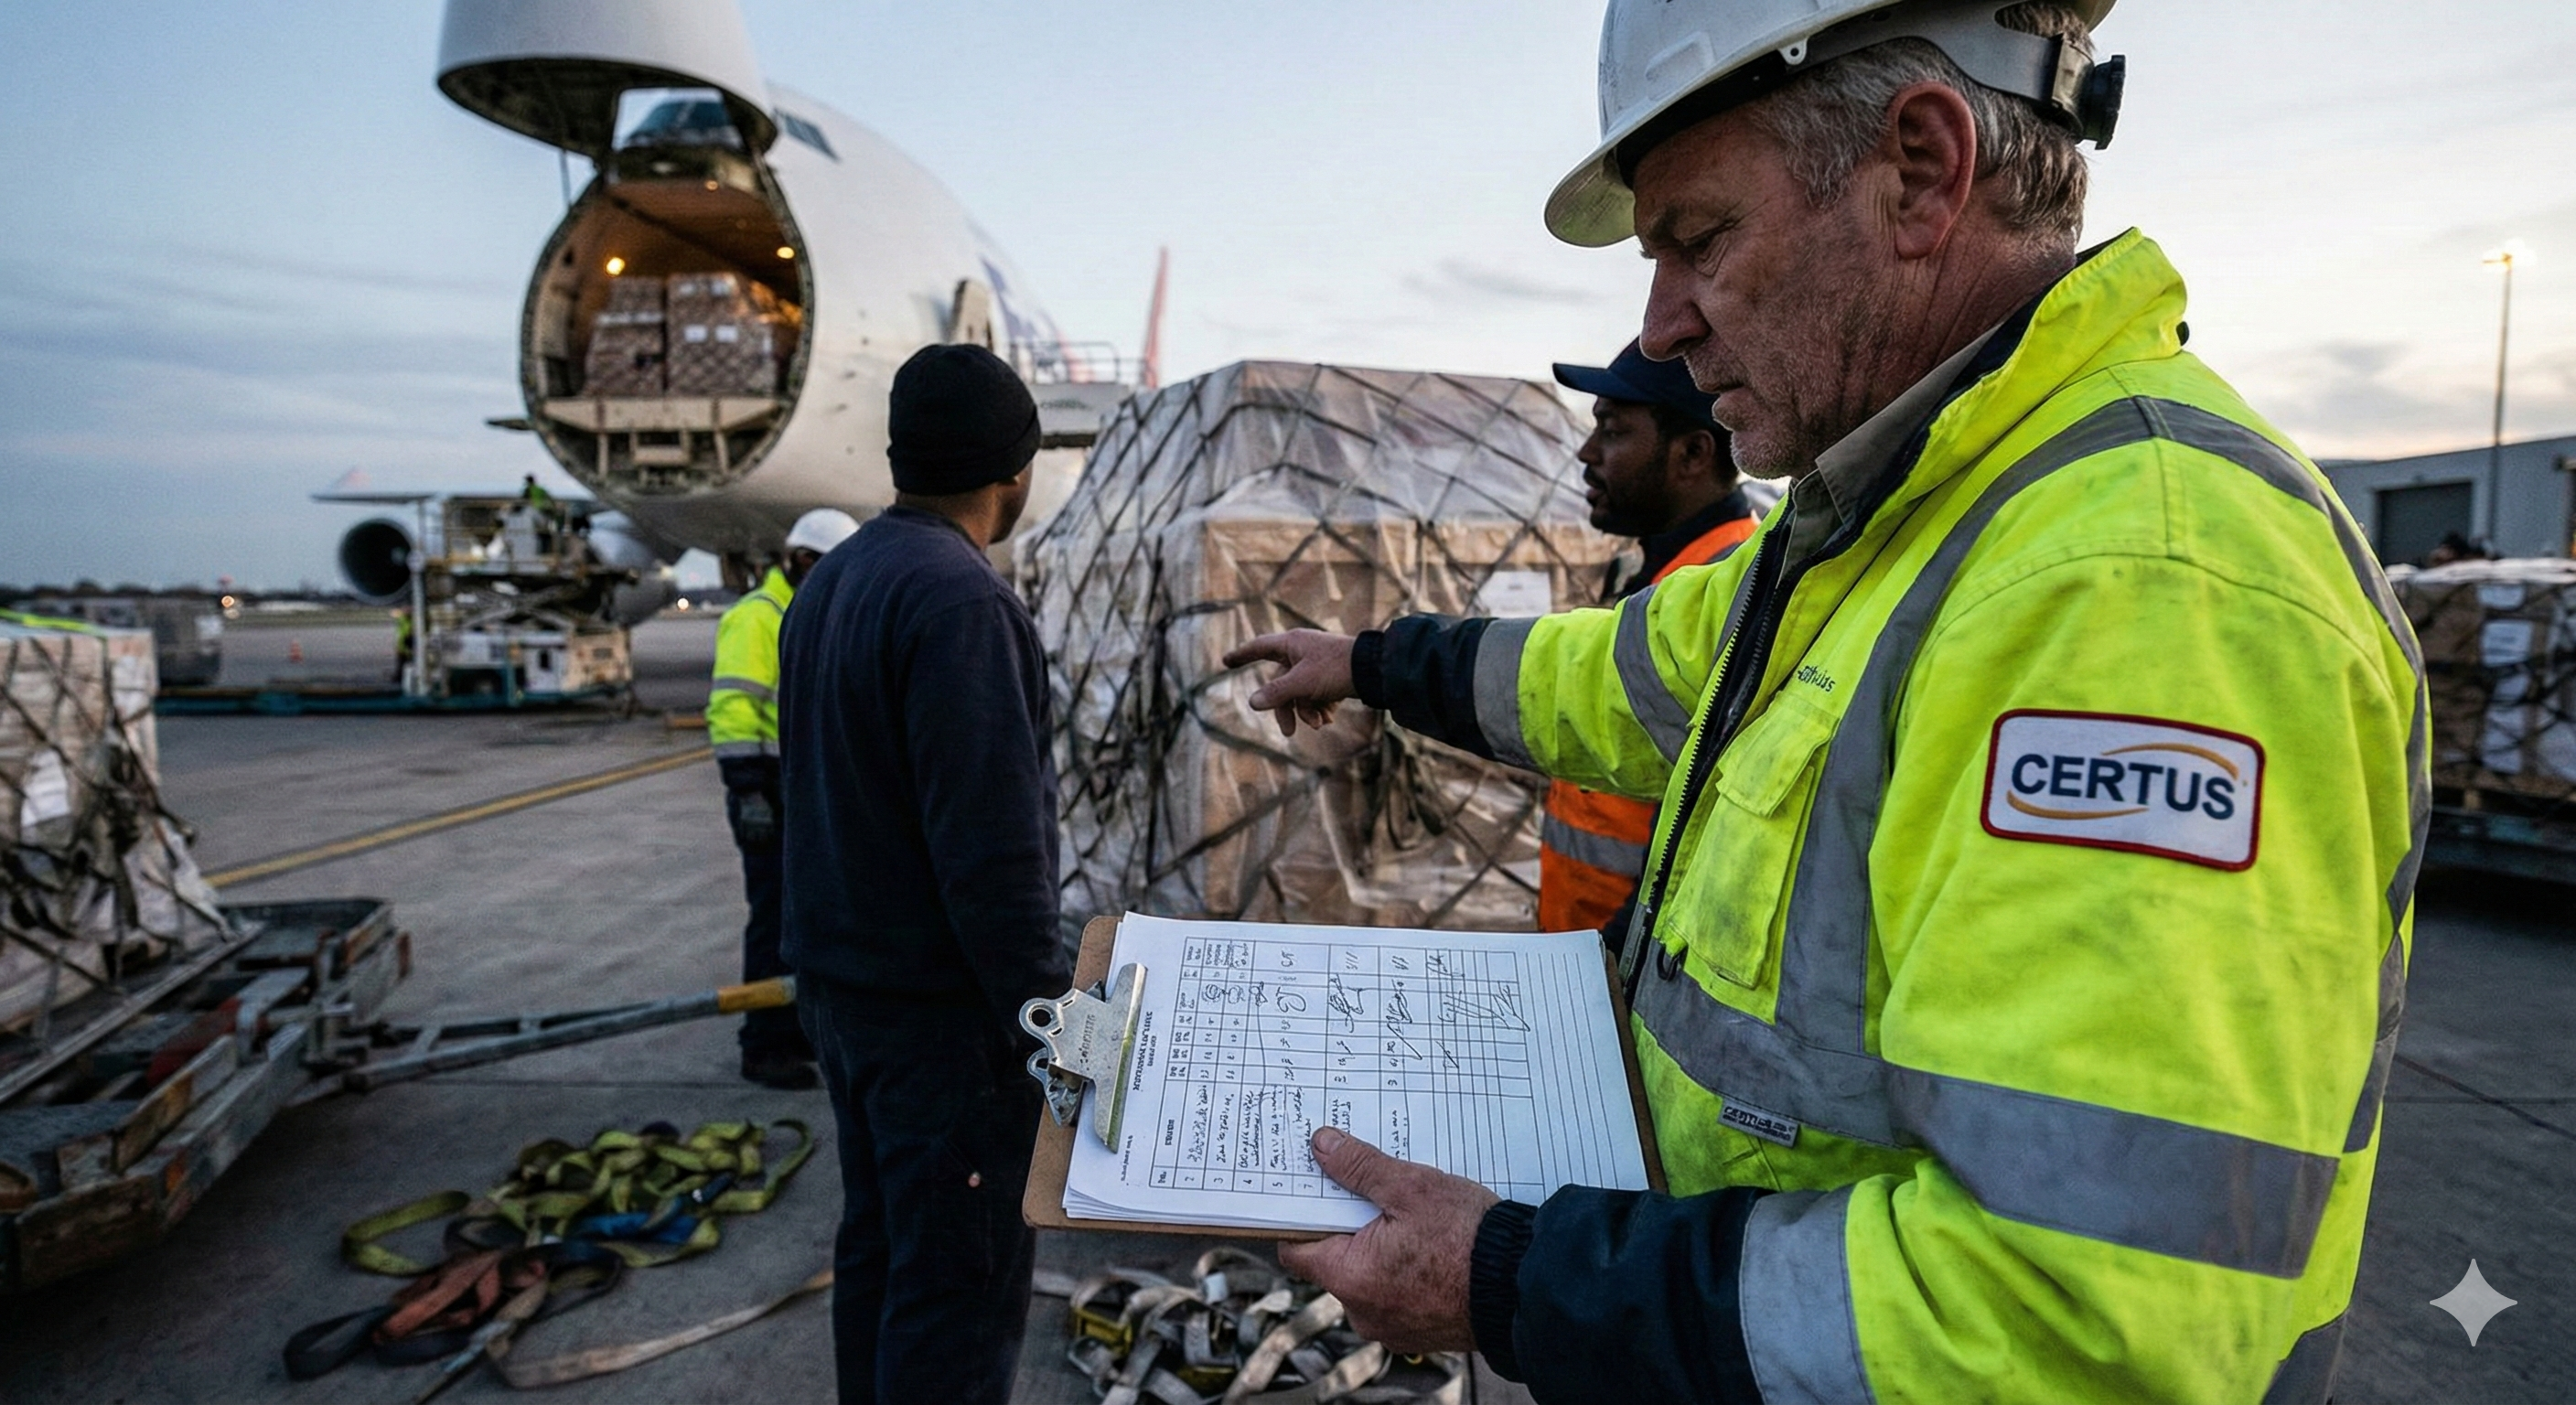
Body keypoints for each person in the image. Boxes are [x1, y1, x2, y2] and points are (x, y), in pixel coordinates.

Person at [1224, 3, 2426, 1401]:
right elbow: (1613, 677)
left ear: (1920, 171)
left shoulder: (2137, 586)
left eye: (1696, 240)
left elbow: (2074, 1329)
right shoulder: (1903, 526)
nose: (1663, 329)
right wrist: (1371, 663)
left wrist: (1512, 1281)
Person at [777, 343, 1067, 1405]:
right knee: (957, 1288)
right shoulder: (960, 604)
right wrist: (1054, 1033)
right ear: (1016, 472)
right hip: (938, 1034)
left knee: (883, 1254)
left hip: (844, 1002)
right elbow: (993, 867)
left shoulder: (835, 583)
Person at [1540, 340, 1755, 935]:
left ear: (1691, 454)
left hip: (1632, 985)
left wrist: (1620, 957)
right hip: (1586, 964)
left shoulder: (1734, 594)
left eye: (1611, 431)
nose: (1586, 453)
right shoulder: (1653, 576)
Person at [709, 506, 860, 1089]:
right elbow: (732, 707)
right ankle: (763, 1044)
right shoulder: (758, 616)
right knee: (773, 918)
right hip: (764, 792)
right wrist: (748, 792)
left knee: (804, 917)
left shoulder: (805, 609)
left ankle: (796, 1027)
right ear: (801, 561)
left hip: (797, 785)